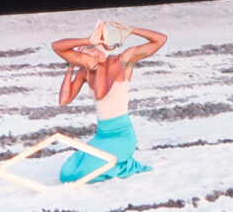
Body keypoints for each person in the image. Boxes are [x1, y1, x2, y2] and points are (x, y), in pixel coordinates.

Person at [44, 20, 168, 183]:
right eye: (92, 47)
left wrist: (131, 30)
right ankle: (120, 164)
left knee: (84, 174)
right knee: (67, 173)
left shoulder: (124, 61)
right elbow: (64, 100)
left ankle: (124, 164)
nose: (95, 49)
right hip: (101, 136)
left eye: (99, 44)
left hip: (122, 136)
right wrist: (72, 64)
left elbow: (160, 39)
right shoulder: (85, 71)